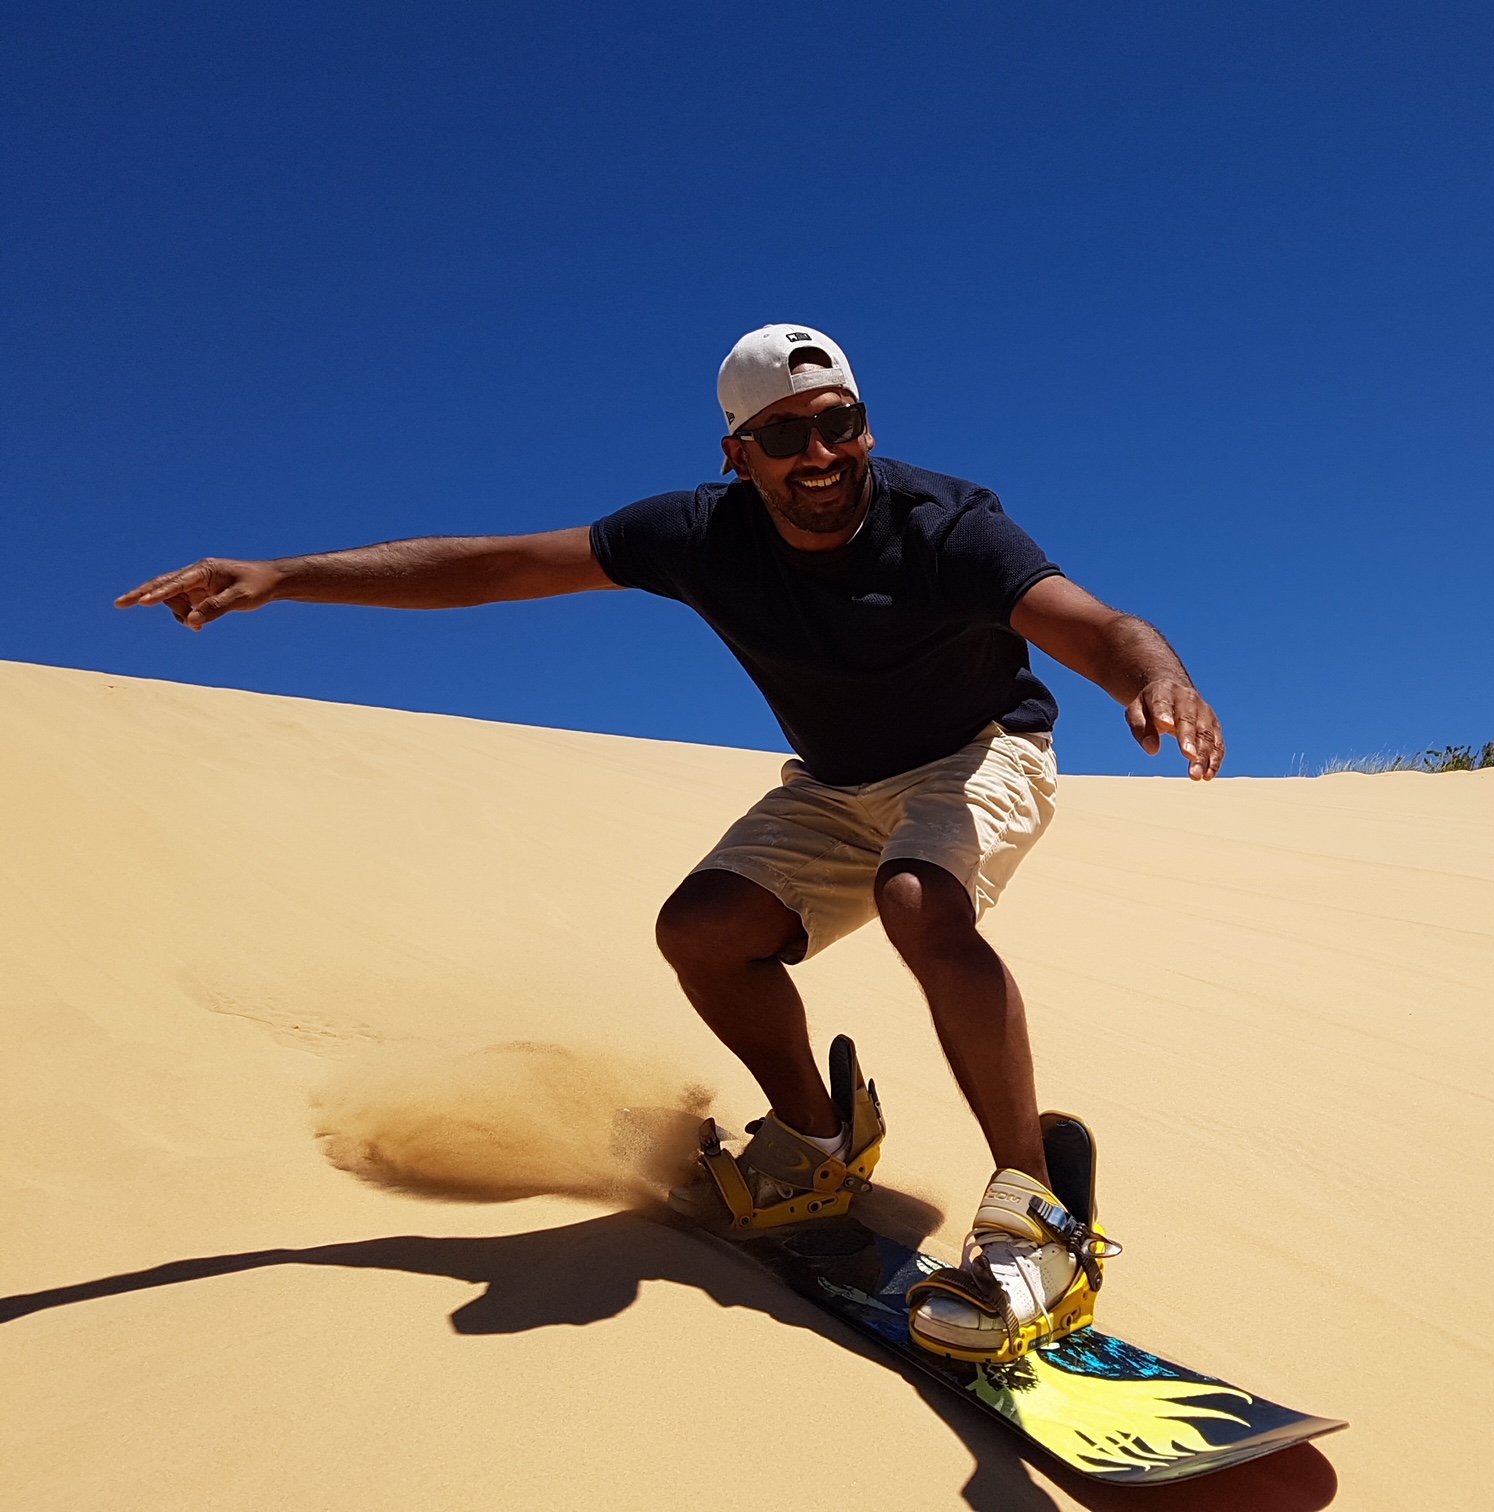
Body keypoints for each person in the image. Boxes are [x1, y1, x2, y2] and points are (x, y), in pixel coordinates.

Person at [117, 323, 1224, 1362]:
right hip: (836, 787)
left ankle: (1035, 1217)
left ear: (866, 426)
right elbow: (497, 567)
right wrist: (284, 577)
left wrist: (1155, 675)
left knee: (918, 900)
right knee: (700, 931)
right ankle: (816, 1146)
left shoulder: (947, 524)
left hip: (978, 753)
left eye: (840, 423)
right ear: (740, 454)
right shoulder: (697, 535)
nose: (822, 454)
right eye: (788, 436)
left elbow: (1091, 623)